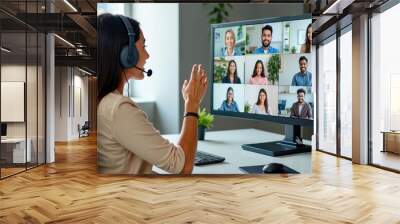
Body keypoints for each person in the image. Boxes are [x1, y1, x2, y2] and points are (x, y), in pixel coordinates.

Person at [97, 14, 208, 175]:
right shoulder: (119, 109)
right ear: (128, 55)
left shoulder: (104, 101)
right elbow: (183, 167)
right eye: (144, 46)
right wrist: (192, 104)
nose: (148, 55)